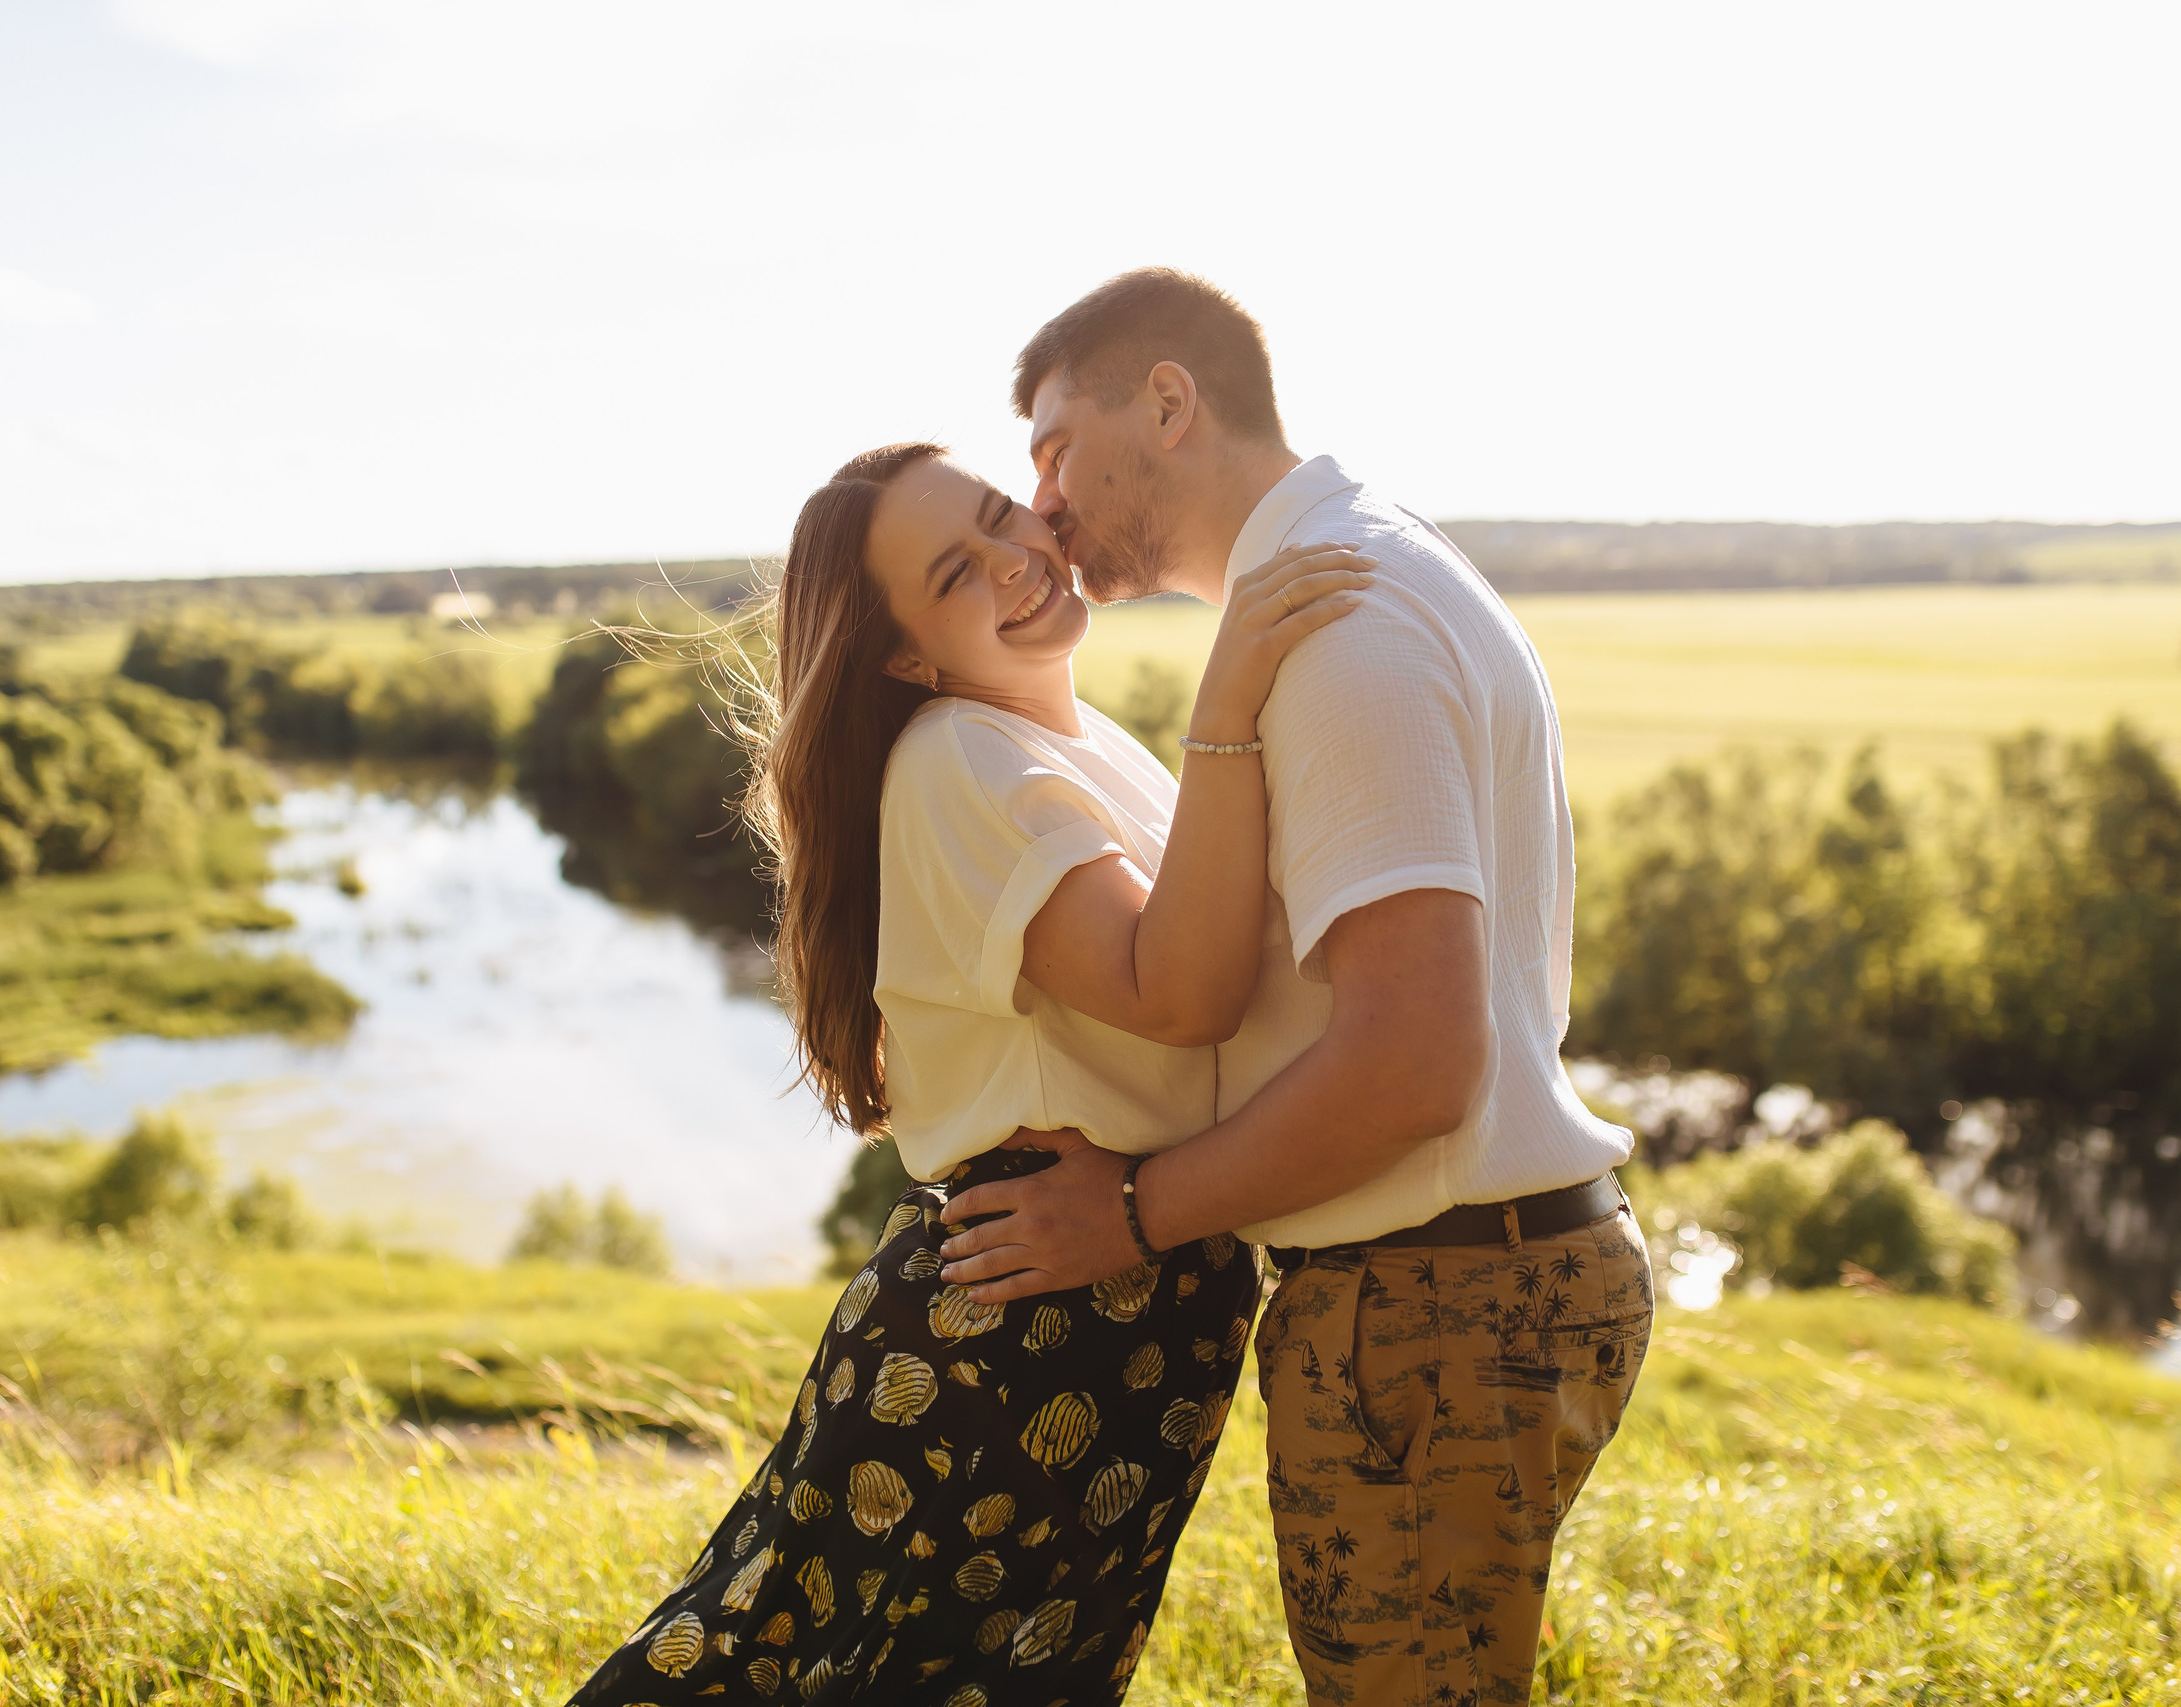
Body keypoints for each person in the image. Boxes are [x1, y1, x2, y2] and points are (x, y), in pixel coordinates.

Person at [937, 268, 1656, 1706]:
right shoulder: (1359, 567)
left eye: (1057, 448)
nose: (1045, 503)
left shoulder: (1341, 621)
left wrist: (1129, 1215)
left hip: (1432, 1303)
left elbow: (1413, 1061)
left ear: (1168, 400)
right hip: (1469, 1281)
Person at [567, 441, 1372, 1706]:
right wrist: (1231, 700)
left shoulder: (1070, 738)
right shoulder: (958, 757)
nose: (1014, 561)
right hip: (1023, 1320)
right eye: (956, 571)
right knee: (834, 1675)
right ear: (905, 655)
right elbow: (1182, 993)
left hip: (1114, 1303)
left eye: (1004, 517)